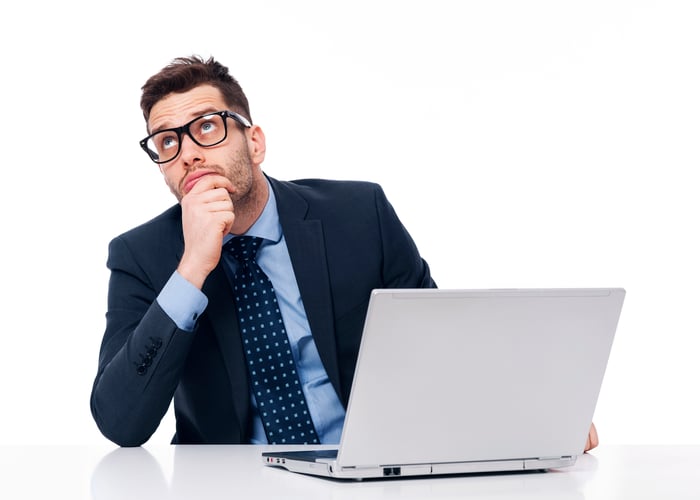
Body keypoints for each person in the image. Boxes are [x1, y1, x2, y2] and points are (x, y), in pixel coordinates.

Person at [90, 55, 599, 451]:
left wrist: (537, 417)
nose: (190, 152)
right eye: (167, 142)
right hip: (229, 484)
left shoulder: (360, 215)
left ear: (256, 142)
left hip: (370, 470)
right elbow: (120, 422)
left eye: (207, 127)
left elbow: (444, 348)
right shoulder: (142, 256)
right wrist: (192, 269)